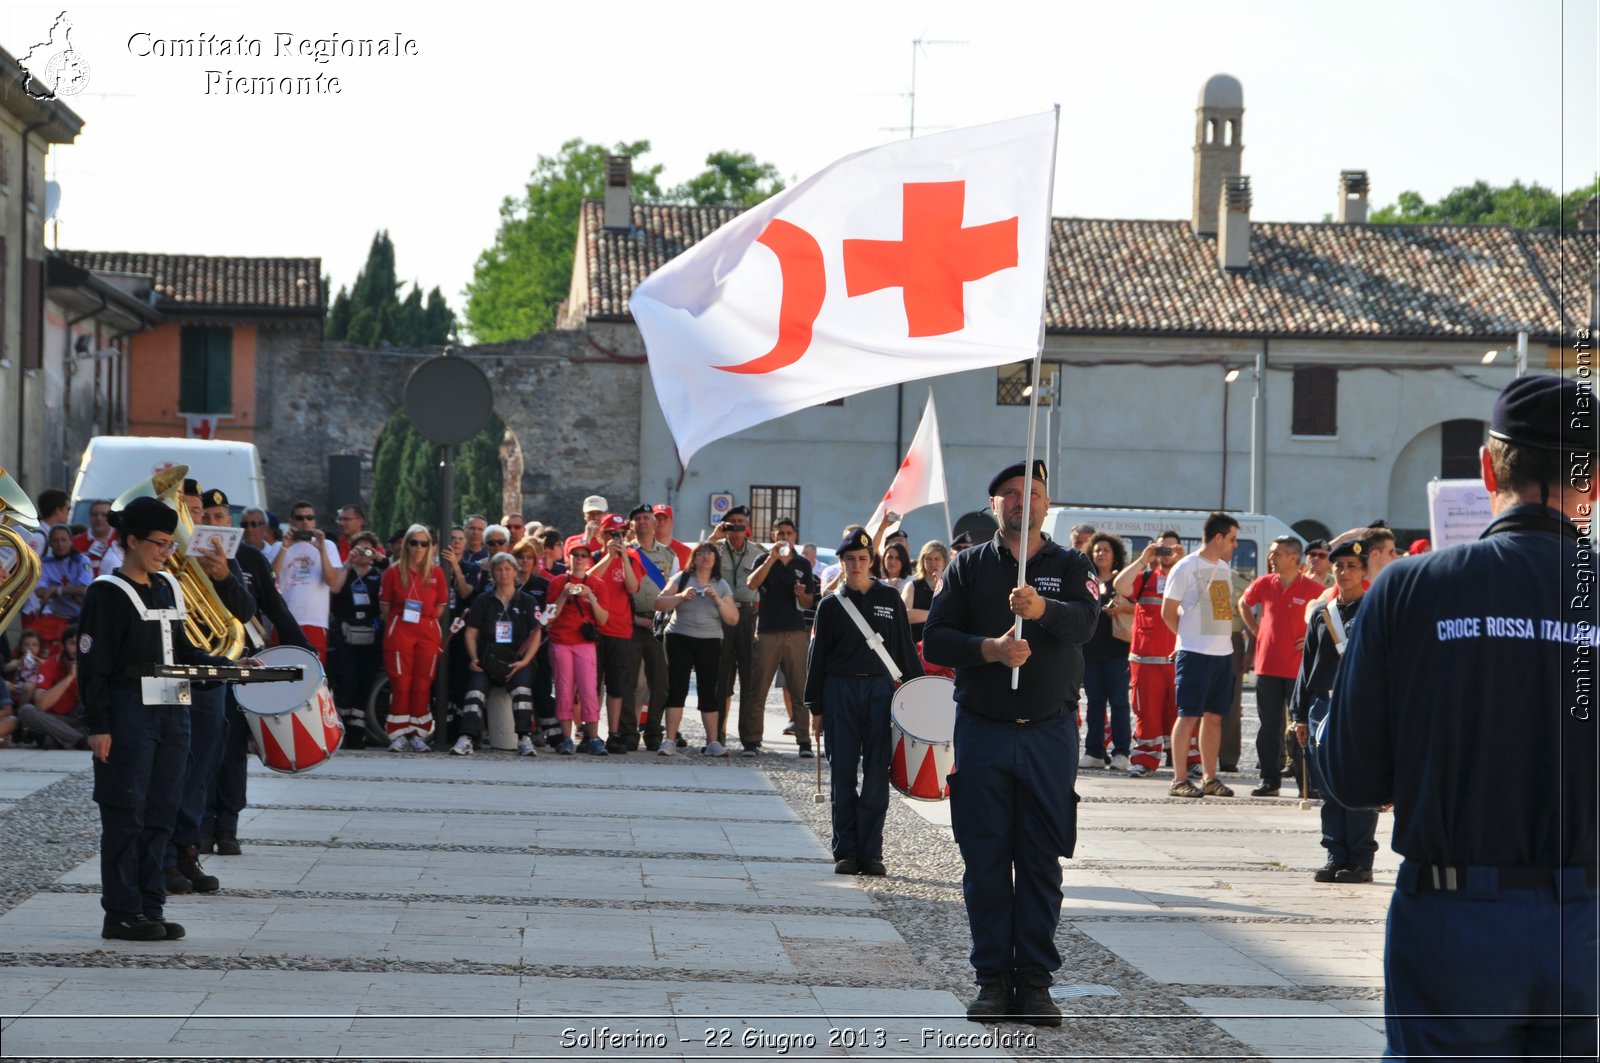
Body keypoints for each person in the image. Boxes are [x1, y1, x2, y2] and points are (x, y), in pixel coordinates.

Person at [1317, 375, 1597, 1058]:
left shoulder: (1411, 588)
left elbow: (1351, 777)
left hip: (1453, 915)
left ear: (1485, 467)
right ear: (1592, 484)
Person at [923, 460, 1098, 1025]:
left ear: (1049, 504)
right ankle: (993, 979)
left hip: (1049, 733)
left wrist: (1042, 609)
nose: (1024, 501)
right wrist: (990, 650)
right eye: (1012, 494)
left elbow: (1085, 623)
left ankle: (1036, 982)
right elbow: (937, 639)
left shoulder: (1070, 565)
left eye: (1035, 493)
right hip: (984, 731)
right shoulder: (968, 567)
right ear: (993, 504)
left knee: (1042, 861)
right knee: (987, 860)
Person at [77, 496, 247, 942]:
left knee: (160, 815)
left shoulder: (168, 586)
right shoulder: (106, 593)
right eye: (158, 543)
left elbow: (181, 651)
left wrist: (224, 667)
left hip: (175, 713)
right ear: (131, 541)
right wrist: (99, 726)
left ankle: (150, 906)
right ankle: (122, 912)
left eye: (170, 544)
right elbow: (93, 667)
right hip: (131, 714)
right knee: (125, 814)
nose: (166, 552)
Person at [805, 529, 923, 876]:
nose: (856, 565)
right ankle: (846, 851)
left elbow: (904, 649)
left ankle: (871, 852)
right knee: (842, 774)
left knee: (875, 775)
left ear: (871, 562)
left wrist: (918, 696)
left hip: (879, 693)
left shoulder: (890, 599)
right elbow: (818, 658)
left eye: (862, 559)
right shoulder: (829, 606)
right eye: (849, 560)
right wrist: (815, 708)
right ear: (840, 563)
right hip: (839, 692)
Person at [200, 489, 308, 858]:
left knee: (233, 747)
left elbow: (275, 608)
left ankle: (227, 825)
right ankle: (201, 824)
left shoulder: (249, 558)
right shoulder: (187, 561)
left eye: (219, 516)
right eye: (207, 516)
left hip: (244, 663)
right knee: (202, 749)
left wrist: (307, 654)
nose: (214, 523)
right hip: (204, 664)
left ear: (228, 522)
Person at [1293, 537, 1377, 882]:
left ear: (1364, 571)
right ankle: (1335, 853)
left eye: (1351, 567)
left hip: (1357, 704)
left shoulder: (1374, 611)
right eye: (1339, 566)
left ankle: (1360, 859)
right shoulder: (1322, 613)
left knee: (1356, 780)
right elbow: (1306, 665)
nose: (1343, 572)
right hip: (1322, 705)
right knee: (1327, 784)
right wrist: (1298, 713)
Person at [1238, 534, 1325, 797]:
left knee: (1299, 726)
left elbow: (1327, 612)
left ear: (1293, 558)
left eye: (1277, 554)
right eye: (1272, 553)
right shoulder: (1264, 583)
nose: (1271, 558)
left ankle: (1305, 784)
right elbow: (1244, 602)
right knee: (1269, 727)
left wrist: (1313, 635)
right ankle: (1269, 779)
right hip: (1267, 666)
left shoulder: (1312, 589)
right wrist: (1255, 630)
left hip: (1298, 670)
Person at [1160, 512, 1240, 798]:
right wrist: (1185, 639)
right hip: (1194, 653)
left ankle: (1210, 778)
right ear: (1218, 538)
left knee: (1215, 717)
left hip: (1222, 654)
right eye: (1233, 539)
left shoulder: (1224, 569)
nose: (1235, 545)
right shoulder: (1185, 567)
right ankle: (1179, 779)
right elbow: (1168, 612)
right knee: (1188, 715)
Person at [1113, 530, 1196, 779]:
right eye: (1162, 548)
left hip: (1179, 658)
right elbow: (1120, 585)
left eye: (1172, 549)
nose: (1166, 553)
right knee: (1145, 714)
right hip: (1145, 661)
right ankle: (1145, 760)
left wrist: (1186, 561)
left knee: (1184, 713)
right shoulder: (1146, 577)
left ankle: (1190, 760)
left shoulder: (1188, 578)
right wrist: (1142, 559)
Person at [453, 552, 543, 757]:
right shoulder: (483, 600)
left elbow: (536, 633)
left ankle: (524, 738)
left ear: (515, 572)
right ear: (493, 573)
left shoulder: (527, 601)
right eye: (499, 569)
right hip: (488, 659)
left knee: (522, 689)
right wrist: (474, 658)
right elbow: (470, 632)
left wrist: (525, 662)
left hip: (517, 660)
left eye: (508, 569)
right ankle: (467, 737)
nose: (504, 573)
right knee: (475, 689)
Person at [655, 541, 740, 756]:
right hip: (679, 637)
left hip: (710, 640)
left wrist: (717, 600)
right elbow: (659, 603)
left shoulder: (721, 585)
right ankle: (670, 740)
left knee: (708, 690)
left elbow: (733, 619)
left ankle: (712, 742)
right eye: (701, 552)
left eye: (710, 553)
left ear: (716, 560)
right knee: (677, 688)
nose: (706, 556)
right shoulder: (682, 578)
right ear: (694, 558)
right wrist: (681, 597)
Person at [746, 517, 817, 758]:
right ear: (773, 535)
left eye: (788, 533)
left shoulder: (802, 564)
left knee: (799, 688)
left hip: (796, 632)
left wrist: (801, 594)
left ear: (794, 536)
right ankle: (752, 740)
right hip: (767, 631)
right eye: (780, 533)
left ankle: (804, 741)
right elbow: (751, 583)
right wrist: (772, 558)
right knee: (759, 688)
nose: (784, 537)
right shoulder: (764, 559)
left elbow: (809, 602)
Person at [379, 524, 449, 752]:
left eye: (424, 543)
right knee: (401, 683)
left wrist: (423, 621)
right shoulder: (393, 572)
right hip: (401, 631)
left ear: (430, 547)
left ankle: (418, 733)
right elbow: (385, 606)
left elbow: (440, 605)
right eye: (414, 542)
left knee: (422, 684)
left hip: (427, 632)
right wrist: (402, 623)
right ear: (406, 544)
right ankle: (398, 734)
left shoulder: (437, 573)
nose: (418, 547)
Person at [545, 545, 609, 755]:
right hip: (561, 641)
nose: (580, 559)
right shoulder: (557, 582)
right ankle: (566, 738)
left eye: (584, 556)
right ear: (569, 558)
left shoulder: (597, 584)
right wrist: (564, 595)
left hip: (585, 643)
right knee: (563, 690)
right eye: (576, 555)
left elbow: (603, 619)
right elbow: (550, 617)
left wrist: (592, 598)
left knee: (588, 690)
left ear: (589, 560)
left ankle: (594, 736)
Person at [586, 514, 643, 752]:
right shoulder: (595, 557)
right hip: (596, 630)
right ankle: (591, 734)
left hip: (620, 630)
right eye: (611, 533)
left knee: (617, 685)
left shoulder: (632, 557)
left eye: (620, 533)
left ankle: (614, 733)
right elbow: (589, 580)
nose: (616, 538)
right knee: (593, 685)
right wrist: (610, 556)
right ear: (602, 536)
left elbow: (632, 587)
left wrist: (624, 558)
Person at [712, 505, 764, 751]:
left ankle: (750, 738)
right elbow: (698, 568)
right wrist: (714, 537)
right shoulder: (715, 549)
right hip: (721, 615)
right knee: (720, 679)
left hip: (748, 615)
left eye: (741, 522)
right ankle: (717, 734)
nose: (737, 526)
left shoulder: (757, 552)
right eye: (732, 522)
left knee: (749, 677)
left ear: (748, 526)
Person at [1080, 531, 1134, 770]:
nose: (1101, 553)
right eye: (1097, 550)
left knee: (1120, 703)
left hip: (1118, 650)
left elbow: (1137, 607)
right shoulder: (1086, 580)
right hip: (1090, 651)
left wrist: (1123, 608)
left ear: (1115, 555)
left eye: (1106, 550)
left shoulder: (1122, 581)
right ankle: (1094, 752)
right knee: (1094, 703)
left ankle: (1122, 752)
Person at [625, 505, 676, 756]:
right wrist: (632, 618)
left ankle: (654, 732)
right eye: (638, 519)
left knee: (660, 682)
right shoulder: (625, 553)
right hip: (632, 623)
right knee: (633, 682)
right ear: (631, 525)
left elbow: (675, 591)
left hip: (659, 625)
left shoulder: (669, 556)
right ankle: (629, 732)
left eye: (647, 518)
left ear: (655, 523)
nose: (642, 522)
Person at [328, 531, 385, 748]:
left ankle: (357, 731)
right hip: (345, 633)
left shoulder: (378, 574)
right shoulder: (347, 571)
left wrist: (381, 559)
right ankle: (339, 728)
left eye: (367, 550)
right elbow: (334, 587)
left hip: (370, 633)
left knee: (364, 683)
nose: (363, 554)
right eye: (359, 549)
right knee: (347, 681)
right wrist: (347, 563)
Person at [271, 502, 346, 663]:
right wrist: (285, 547)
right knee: (280, 674)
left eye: (309, 517)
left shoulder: (328, 545)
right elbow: (270, 576)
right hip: (284, 620)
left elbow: (332, 581)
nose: (305, 522)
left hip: (314, 621)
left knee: (312, 677)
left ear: (314, 522)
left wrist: (322, 550)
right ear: (291, 521)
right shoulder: (279, 546)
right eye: (299, 518)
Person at [15, 623, 85, 749]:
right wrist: (69, 677)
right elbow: (41, 704)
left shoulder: (90, 665)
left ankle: (61, 738)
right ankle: (79, 740)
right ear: (62, 646)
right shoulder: (50, 665)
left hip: (77, 720)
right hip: (53, 719)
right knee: (26, 711)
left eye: (81, 644)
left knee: (49, 741)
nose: (77, 649)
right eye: (72, 643)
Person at [29, 525, 93, 649]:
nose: (60, 544)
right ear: (50, 543)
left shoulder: (81, 561)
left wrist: (55, 590)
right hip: (58, 617)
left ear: (71, 541)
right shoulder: (45, 563)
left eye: (63, 540)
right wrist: (70, 591)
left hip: (81, 617)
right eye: (55, 540)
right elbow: (40, 591)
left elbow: (84, 589)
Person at [901, 541, 949, 644]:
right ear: (923, 561)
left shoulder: (952, 585)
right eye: (928, 559)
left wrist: (940, 584)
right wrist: (935, 614)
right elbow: (904, 614)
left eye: (937, 559)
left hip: (945, 641)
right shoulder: (913, 586)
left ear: (944, 561)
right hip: (918, 643)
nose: (933, 563)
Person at [72, 500, 118, 577]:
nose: (99, 518)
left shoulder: (122, 540)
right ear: (89, 517)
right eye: (95, 514)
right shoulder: (75, 542)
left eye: (104, 515)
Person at [653, 503, 693, 571]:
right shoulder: (643, 549)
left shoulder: (686, 552)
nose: (661, 521)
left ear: (672, 522)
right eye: (658, 518)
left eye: (665, 518)